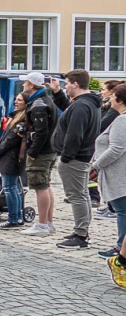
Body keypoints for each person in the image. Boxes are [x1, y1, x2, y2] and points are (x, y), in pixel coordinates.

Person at [48, 69, 101, 249]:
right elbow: (68, 110)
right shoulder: (86, 103)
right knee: (82, 195)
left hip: (75, 158)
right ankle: (81, 231)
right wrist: (56, 93)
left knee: (77, 196)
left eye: (67, 84)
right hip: (81, 156)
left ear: (75, 84)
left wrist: (66, 157)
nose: (66, 87)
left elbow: (74, 134)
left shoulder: (81, 106)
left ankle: (80, 235)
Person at [19, 72, 60, 236]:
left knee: (40, 186)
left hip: (42, 151)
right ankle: (48, 222)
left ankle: (42, 224)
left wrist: (33, 152)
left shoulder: (38, 104)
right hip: (49, 149)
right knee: (46, 185)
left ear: (32, 85)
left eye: (25, 82)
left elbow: (41, 132)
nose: (23, 85)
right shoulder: (43, 100)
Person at [96, 84, 126, 287]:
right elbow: (115, 148)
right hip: (119, 178)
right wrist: (96, 166)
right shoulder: (122, 120)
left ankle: (120, 259)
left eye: (113, 96)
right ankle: (120, 260)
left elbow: (116, 148)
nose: (110, 100)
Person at [0, 92, 30, 230]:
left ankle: (13, 218)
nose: (16, 101)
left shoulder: (22, 118)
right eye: (16, 99)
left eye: (19, 100)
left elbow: (10, 140)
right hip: (12, 156)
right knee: (14, 188)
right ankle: (18, 216)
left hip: (11, 157)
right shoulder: (16, 116)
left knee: (9, 188)